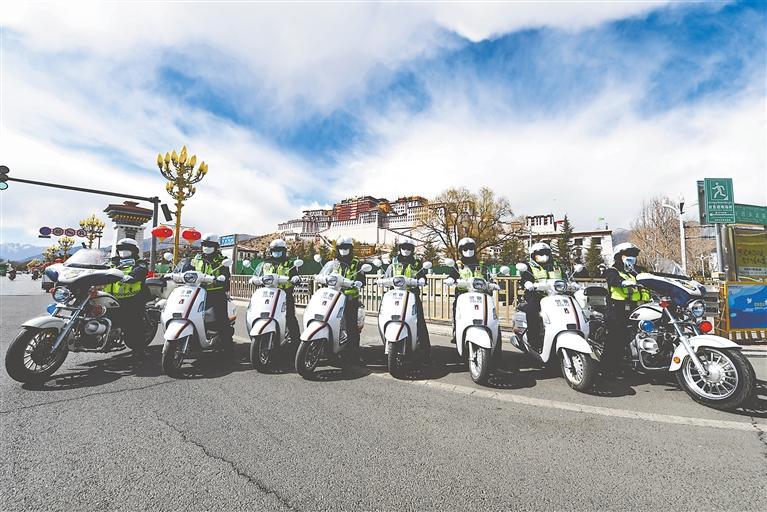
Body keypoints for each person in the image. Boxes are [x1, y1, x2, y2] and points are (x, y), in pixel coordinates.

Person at [603, 242, 651, 374]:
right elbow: (612, 280)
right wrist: (622, 282)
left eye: (634, 255)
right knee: (616, 337)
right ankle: (607, 369)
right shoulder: (613, 270)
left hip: (639, 307)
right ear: (619, 256)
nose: (631, 257)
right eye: (627, 254)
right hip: (618, 308)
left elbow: (652, 279)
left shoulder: (640, 271)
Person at [385, 238, 432, 362]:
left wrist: (422, 280)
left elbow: (422, 275)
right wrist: (382, 281)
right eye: (404, 247)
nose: (406, 250)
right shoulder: (394, 262)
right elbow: (387, 275)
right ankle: (387, 344)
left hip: (412, 295)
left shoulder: (417, 263)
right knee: (385, 314)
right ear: (400, 248)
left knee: (419, 321)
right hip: (395, 295)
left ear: (413, 250)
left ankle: (425, 350)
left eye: (409, 248)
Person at [184, 233, 234, 345]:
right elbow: (188, 269)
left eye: (210, 245)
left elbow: (226, 274)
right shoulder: (197, 258)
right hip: (197, 292)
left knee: (221, 319)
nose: (207, 247)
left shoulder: (222, 260)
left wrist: (221, 278)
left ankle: (227, 345)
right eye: (205, 244)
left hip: (216, 293)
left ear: (216, 246)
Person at [103, 238, 150, 351]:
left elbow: (140, 271)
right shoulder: (113, 262)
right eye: (121, 249)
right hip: (111, 297)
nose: (123, 251)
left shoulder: (139, 263)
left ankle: (139, 349)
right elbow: (102, 268)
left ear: (134, 251)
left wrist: (132, 276)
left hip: (132, 298)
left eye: (127, 249)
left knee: (133, 323)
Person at [519, 242, 562, 350]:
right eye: (541, 254)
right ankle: (534, 341)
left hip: (556, 296)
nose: (544, 256)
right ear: (534, 255)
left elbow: (565, 277)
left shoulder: (556, 266)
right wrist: (527, 283)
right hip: (537, 295)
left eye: (546, 253)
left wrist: (572, 283)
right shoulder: (529, 266)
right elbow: (524, 278)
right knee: (533, 311)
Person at [447, 237, 488, 343]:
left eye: (471, 248)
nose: (469, 251)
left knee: (490, 313)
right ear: (461, 250)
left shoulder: (481, 264)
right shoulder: (458, 265)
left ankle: (492, 333)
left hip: (480, 294)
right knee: (456, 310)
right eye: (465, 248)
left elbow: (487, 275)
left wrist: (492, 282)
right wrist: (451, 279)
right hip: (463, 294)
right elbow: (453, 274)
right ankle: (456, 332)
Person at [333, 237, 366, 359]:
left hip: (350, 299)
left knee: (351, 327)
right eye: (341, 247)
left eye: (346, 247)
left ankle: (354, 354)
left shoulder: (357, 263)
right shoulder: (334, 263)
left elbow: (362, 279)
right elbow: (327, 273)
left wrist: (359, 282)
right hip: (334, 298)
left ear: (350, 249)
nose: (343, 250)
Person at [263, 238, 301, 342]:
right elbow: (260, 274)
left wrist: (296, 278)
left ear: (284, 251)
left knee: (290, 317)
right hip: (268, 294)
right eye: (274, 250)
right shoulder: (266, 263)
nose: (276, 252)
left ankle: (296, 341)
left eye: (278, 250)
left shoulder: (289, 263)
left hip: (285, 294)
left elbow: (295, 275)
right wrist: (255, 279)